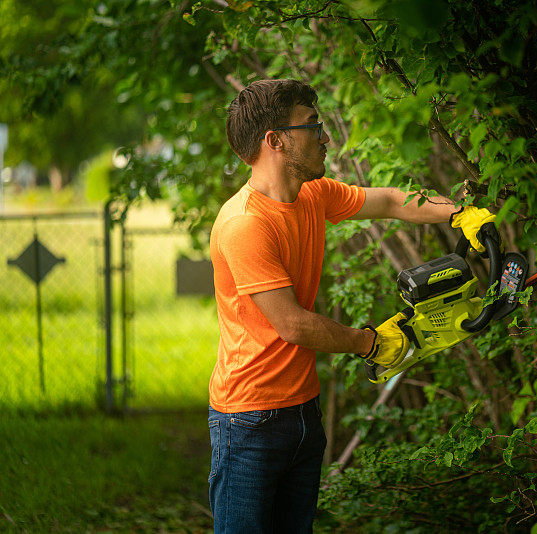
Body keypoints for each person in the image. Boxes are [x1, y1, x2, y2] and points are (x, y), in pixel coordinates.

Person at [207, 78, 494, 533]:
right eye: (311, 125)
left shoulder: (312, 196)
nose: (324, 135)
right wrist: (370, 343)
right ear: (275, 140)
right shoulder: (245, 225)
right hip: (249, 421)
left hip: (302, 410)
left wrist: (459, 213)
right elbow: (293, 325)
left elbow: (391, 201)